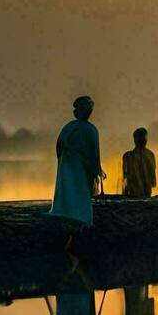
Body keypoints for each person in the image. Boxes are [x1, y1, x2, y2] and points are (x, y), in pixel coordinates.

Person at [50, 95, 104, 228]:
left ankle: (67, 215)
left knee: (68, 190)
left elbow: (59, 147)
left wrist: (62, 163)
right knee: (81, 191)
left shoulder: (69, 127)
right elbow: (95, 154)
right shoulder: (91, 129)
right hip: (81, 167)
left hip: (67, 166)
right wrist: (97, 169)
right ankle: (80, 218)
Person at [121, 127, 157, 197]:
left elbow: (125, 177)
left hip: (137, 192)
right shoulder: (149, 154)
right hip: (137, 192)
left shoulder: (128, 156)